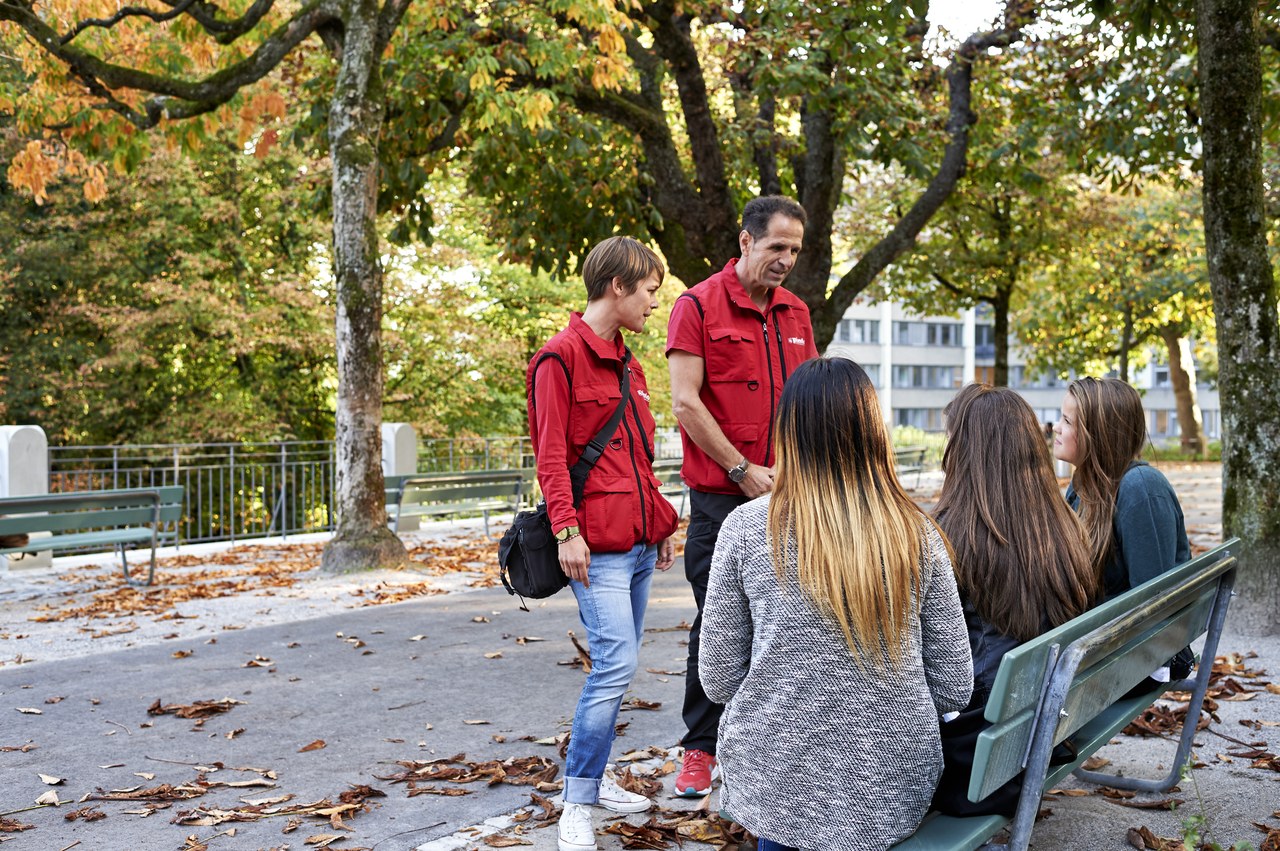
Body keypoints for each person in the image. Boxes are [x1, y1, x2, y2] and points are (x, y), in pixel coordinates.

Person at [699, 358, 973, 851]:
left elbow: (718, 681)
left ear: (788, 433)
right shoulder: (918, 534)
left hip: (779, 786)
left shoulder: (744, 530)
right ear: (873, 430)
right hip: (891, 787)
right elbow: (954, 687)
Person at [525, 236, 680, 851]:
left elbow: (639, 456)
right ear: (619, 286)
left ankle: (595, 778)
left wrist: (660, 524)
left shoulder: (629, 365)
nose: (652, 306)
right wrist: (565, 530)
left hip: (639, 542)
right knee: (616, 664)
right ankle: (578, 801)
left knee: (617, 668)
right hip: (597, 548)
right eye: (648, 292)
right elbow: (552, 458)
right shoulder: (558, 359)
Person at [664, 195, 819, 797]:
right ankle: (700, 750)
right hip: (722, 501)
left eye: (795, 251)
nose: (785, 259)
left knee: (791, 624)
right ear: (747, 241)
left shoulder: (797, 313)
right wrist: (740, 470)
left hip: (792, 502)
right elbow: (685, 402)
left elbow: (811, 403)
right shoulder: (695, 306)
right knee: (720, 625)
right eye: (777, 246)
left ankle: (774, 746)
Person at [929, 384, 1097, 817]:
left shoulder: (945, 537)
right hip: (1036, 734)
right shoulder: (1064, 527)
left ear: (963, 452)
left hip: (971, 761)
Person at [1053, 376, 1194, 683]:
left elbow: (1152, 600)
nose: (1056, 428)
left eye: (1066, 421)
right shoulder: (1083, 488)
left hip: (1143, 656)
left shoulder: (1140, 489)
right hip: (1104, 645)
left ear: (1097, 434)